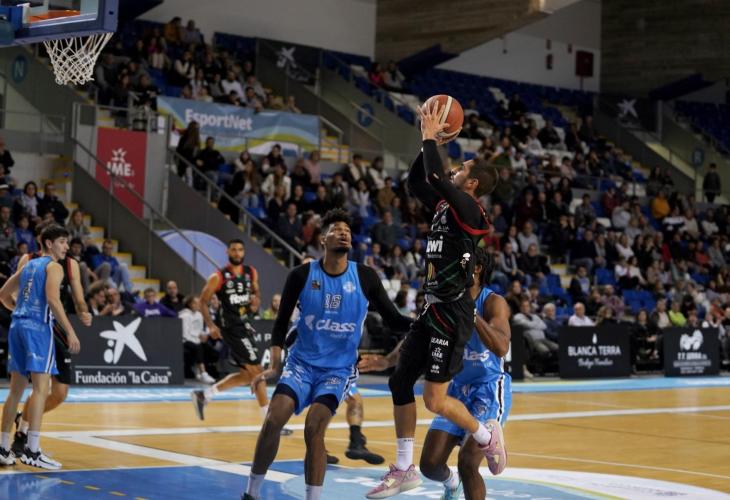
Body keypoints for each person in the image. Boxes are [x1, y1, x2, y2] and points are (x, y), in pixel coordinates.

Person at [367, 100, 501, 497]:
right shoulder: (445, 206)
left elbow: (437, 176)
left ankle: (485, 436)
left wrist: (431, 139)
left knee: (435, 401)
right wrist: (428, 142)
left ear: (472, 184)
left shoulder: (471, 211)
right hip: (431, 306)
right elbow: (417, 182)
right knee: (399, 381)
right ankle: (404, 468)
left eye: (463, 170)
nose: (457, 171)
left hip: (453, 312)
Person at [241, 209, 411, 500]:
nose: (344, 233)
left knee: (314, 428)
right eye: (337, 229)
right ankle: (251, 493)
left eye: (348, 230)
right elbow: (280, 323)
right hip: (301, 364)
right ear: (323, 239)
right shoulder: (301, 275)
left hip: (337, 370)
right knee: (273, 420)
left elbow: (395, 320)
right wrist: (275, 365)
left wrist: (427, 323)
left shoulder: (366, 276)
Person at [362, 248, 511, 499]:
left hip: (487, 387)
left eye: (461, 262)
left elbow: (501, 347)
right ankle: (453, 484)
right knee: (430, 465)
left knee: (467, 462)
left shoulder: (493, 302)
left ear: (476, 268)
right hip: (455, 390)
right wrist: (388, 360)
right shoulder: (443, 300)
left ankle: (488, 441)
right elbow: (419, 336)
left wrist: (471, 313)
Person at [0, 225, 81, 469]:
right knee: (41, 389)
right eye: (62, 241)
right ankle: (32, 450)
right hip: (37, 330)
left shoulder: (27, 265)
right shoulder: (53, 266)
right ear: (48, 243)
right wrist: (70, 331)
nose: (66, 246)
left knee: (15, 391)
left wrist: (20, 311)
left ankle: (2, 448)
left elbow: (3, 294)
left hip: (17, 326)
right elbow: (53, 300)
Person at [191, 240, 275, 424]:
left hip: (246, 325)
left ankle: (204, 395)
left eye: (240, 250)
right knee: (258, 371)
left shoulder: (251, 272)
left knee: (247, 375)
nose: (237, 253)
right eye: (234, 250)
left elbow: (256, 292)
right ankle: (270, 423)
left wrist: (256, 300)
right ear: (227, 252)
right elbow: (202, 301)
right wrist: (211, 325)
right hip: (231, 328)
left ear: (244, 252)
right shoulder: (218, 277)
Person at [180, 295, 216, 384]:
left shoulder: (199, 315)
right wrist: (197, 340)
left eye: (198, 303)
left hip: (196, 339)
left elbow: (199, 330)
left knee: (209, 349)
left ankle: (198, 371)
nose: (198, 305)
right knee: (198, 347)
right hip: (185, 341)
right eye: (195, 303)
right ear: (190, 304)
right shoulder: (184, 315)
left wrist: (203, 335)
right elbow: (185, 334)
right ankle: (203, 373)